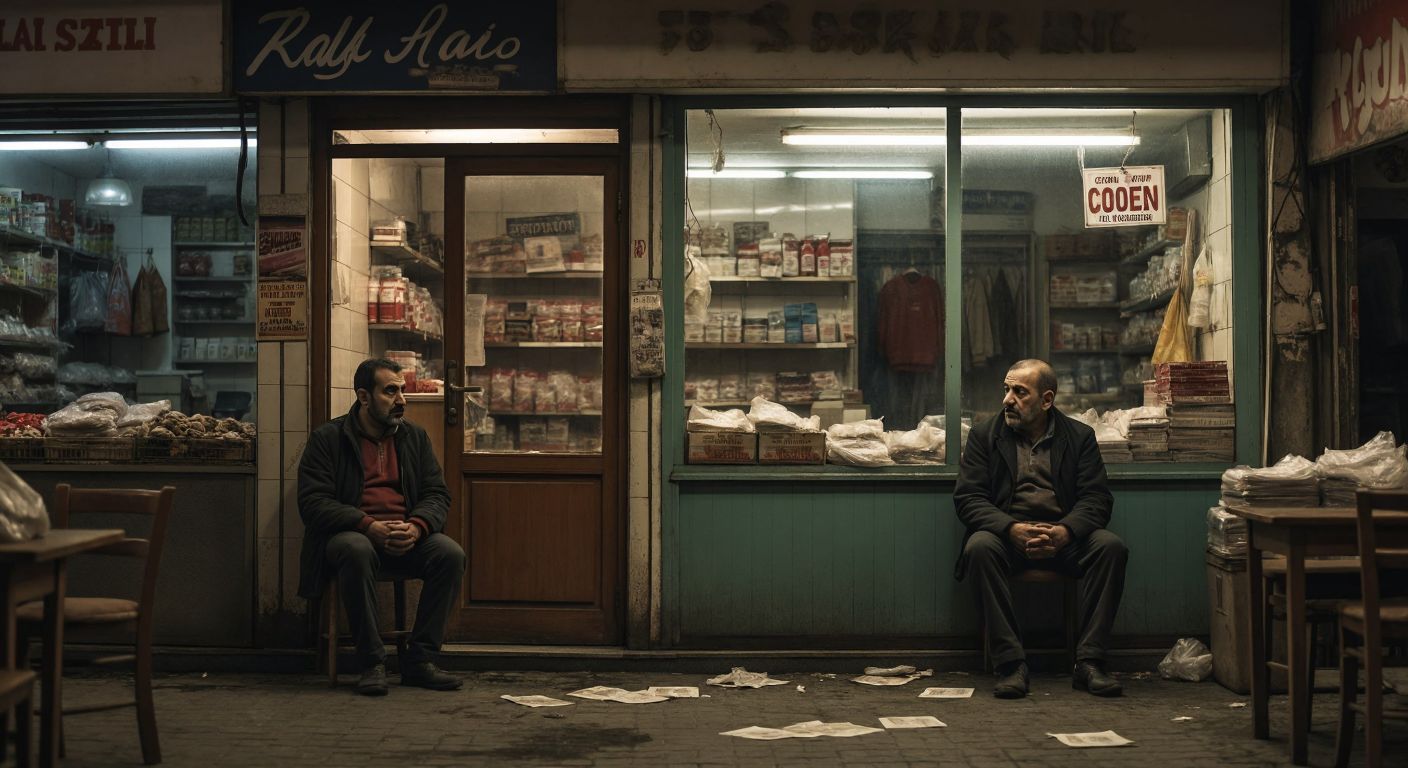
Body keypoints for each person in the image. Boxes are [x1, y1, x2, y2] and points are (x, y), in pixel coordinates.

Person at [953, 359, 1128, 699]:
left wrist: (1065, 532)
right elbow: (969, 499)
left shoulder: (1079, 438)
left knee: (1111, 547)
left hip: (1064, 540)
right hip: (1009, 541)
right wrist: (1010, 528)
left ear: (1046, 400)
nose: (1007, 400)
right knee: (979, 547)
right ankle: (1010, 664)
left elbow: (1097, 500)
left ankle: (1089, 662)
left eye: (1020, 392)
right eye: (1006, 390)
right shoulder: (984, 436)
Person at [298, 357, 467, 696]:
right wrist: (367, 525)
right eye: (390, 392)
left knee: (450, 554)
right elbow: (313, 503)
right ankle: (371, 663)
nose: (401, 400)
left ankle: (419, 661)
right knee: (356, 549)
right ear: (364, 397)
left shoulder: (414, 438)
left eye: (402, 391)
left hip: (406, 538)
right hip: (352, 540)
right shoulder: (328, 439)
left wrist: (417, 527)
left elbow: (437, 493)